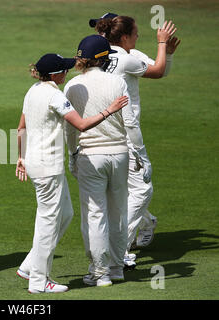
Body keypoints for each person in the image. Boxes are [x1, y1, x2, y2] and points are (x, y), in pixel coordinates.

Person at [16, 53, 128, 293]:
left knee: (65, 214)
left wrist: (21, 157)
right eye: (64, 70)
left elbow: (21, 129)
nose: (68, 72)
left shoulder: (32, 90)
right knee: (47, 223)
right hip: (47, 168)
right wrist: (110, 110)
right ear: (56, 74)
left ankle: (29, 266)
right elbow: (81, 125)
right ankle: (38, 281)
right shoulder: (55, 95)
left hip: (37, 164)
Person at [90, 13, 180, 253]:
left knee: (122, 189)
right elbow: (159, 71)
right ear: (125, 36)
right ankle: (120, 247)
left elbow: (159, 68)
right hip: (125, 133)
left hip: (103, 130)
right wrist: (162, 43)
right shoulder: (124, 58)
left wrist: (166, 54)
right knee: (140, 189)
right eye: (136, 32)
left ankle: (140, 227)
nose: (139, 35)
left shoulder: (101, 56)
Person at [64, 34, 148, 286]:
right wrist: (141, 154)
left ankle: (99, 273)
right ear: (104, 59)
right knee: (118, 212)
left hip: (90, 155)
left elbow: (70, 129)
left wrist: (72, 154)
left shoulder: (72, 85)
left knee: (94, 214)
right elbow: (130, 123)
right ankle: (116, 268)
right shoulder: (117, 82)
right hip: (119, 154)